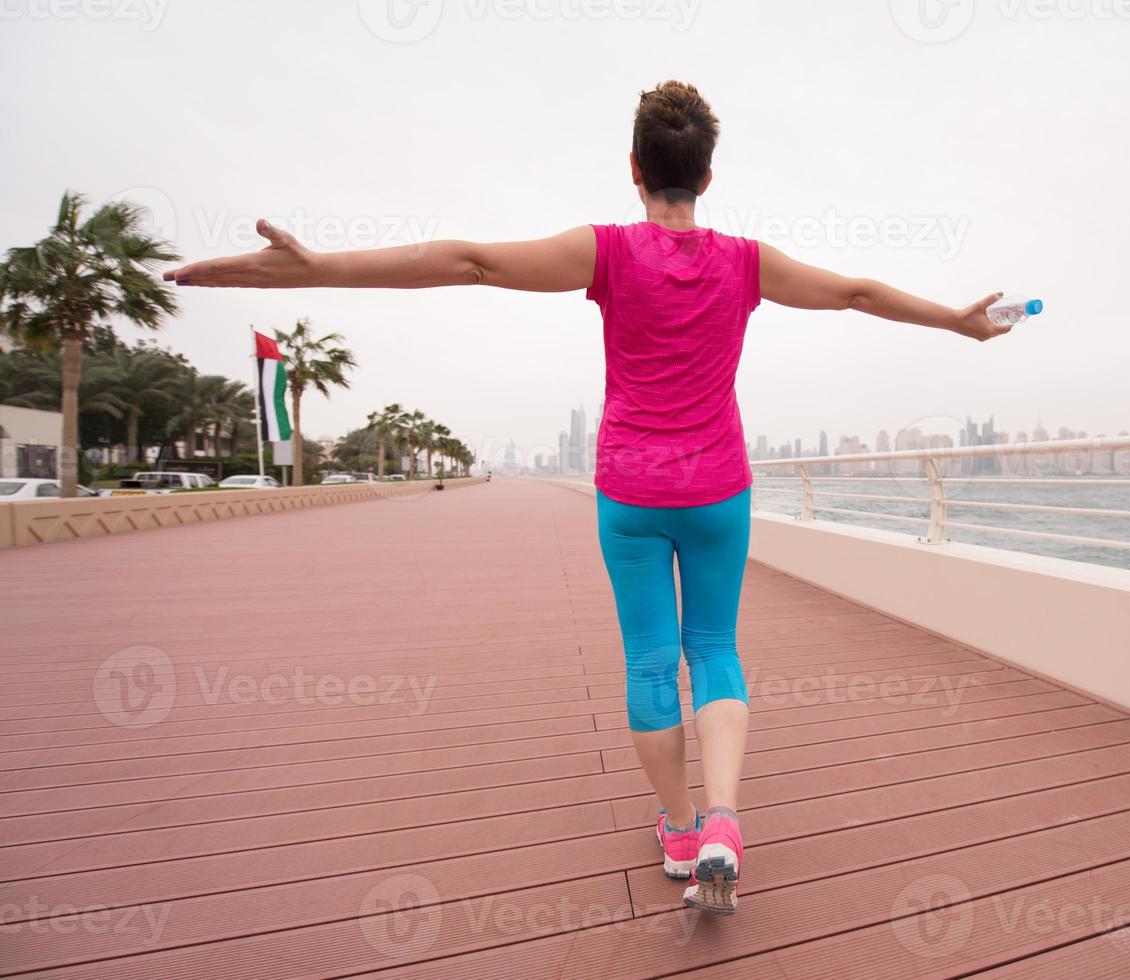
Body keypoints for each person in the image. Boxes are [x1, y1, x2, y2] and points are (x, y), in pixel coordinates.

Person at [165, 80, 1011, 916]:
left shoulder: (606, 250)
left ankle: (679, 833)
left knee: (650, 659)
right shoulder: (748, 262)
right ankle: (724, 819)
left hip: (631, 491)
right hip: (720, 488)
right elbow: (858, 293)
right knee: (712, 645)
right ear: (707, 178)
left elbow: (470, 261)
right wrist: (957, 321)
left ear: (634, 170)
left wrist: (319, 270)